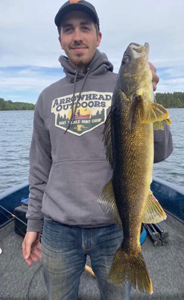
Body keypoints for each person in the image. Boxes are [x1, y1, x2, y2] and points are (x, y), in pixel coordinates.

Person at [22, 1, 173, 299]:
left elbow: (160, 152)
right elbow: (40, 166)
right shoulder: (46, 97)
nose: (77, 36)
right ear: (61, 39)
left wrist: (149, 97)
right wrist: (33, 224)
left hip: (114, 225)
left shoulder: (121, 87)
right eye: (68, 29)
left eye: (85, 28)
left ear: (98, 36)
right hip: (57, 230)